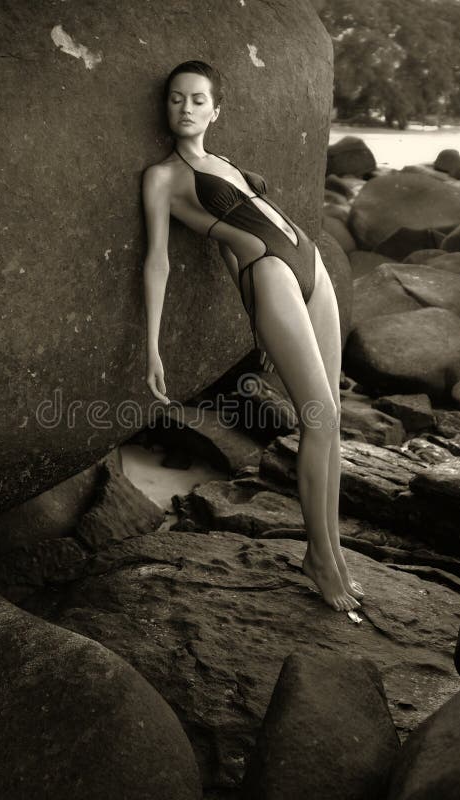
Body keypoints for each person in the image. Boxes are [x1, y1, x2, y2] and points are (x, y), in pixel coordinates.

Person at [142, 60, 362, 612]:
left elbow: (218, 248)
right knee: (320, 419)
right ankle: (318, 557)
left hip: (309, 265)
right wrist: (152, 344)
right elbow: (158, 263)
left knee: (332, 420)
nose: (185, 108)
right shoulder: (162, 177)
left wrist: (254, 319)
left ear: (216, 109)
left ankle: (334, 552)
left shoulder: (224, 163)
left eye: (196, 100)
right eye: (175, 99)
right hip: (270, 271)